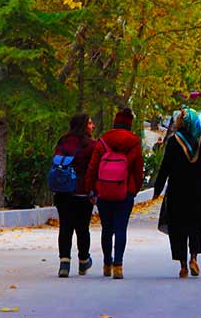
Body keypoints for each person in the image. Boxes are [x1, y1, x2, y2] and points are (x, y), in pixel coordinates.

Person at [153, 108, 201, 278]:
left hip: (177, 191)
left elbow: (165, 167)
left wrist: (157, 190)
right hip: (198, 192)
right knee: (195, 225)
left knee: (178, 227)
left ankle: (182, 266)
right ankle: (194, 258)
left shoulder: (174, 141)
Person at [85, 108, 144, 279]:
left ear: (114, 123)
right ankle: (118, 266)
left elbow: (93, 167)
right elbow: (139, 171)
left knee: (107, 229)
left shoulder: (103, 141)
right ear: (129, 125)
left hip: (103, 190)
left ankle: (106, 264)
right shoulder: (134, 143)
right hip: (125, 191)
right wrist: (134, 189)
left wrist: (90, 188)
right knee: (120, 228)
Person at [53, 113, 97, 278]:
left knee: (65, 227)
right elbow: (93, 168)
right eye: (90, 123)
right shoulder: (91, 145)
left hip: (63, 191)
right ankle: (83, 261)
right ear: (83, 126)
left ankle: (64, 264)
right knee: (82, 228)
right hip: (82, 192)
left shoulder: (63, 141)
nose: (92, 126)